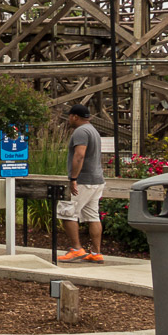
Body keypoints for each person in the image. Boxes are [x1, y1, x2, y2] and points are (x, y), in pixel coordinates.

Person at [57, 104, 106, 263]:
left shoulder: (81, 132)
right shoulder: (93, 130)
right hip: (97, 180)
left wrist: (73, 179)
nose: (69, 119)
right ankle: (96, 252)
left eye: (69, 116)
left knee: (67, 212)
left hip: (83, 180)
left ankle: (77, 249)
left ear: (75, 117)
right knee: (93, 216)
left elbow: (79, 155)